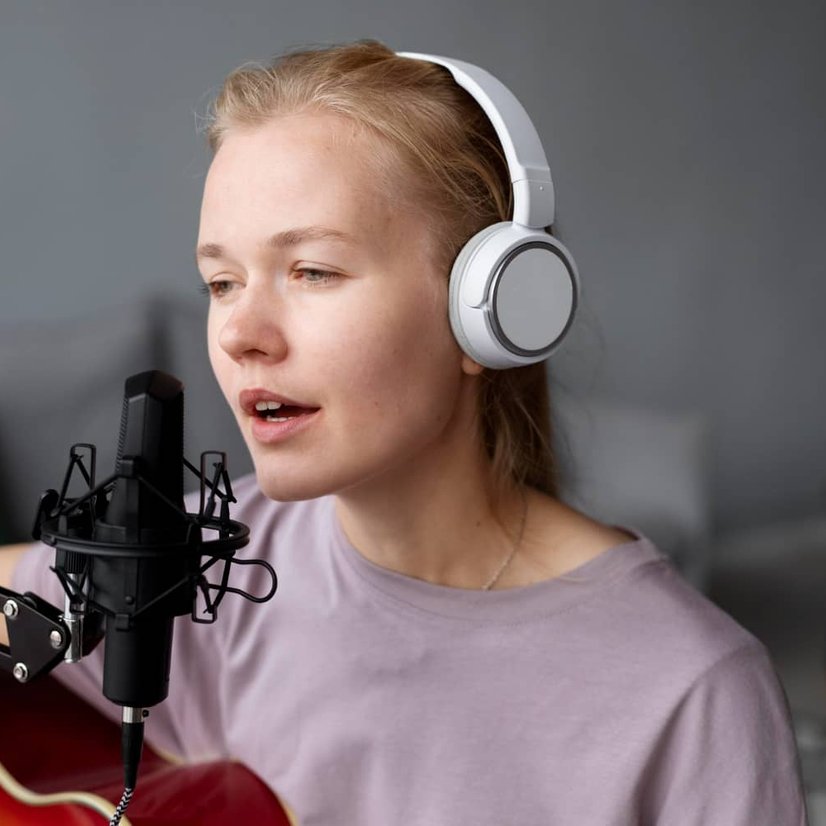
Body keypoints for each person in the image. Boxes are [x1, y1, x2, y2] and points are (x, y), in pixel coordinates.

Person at [4, 40, 807, 824]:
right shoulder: (207, 567)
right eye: (222, 280)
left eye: (312, 270)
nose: (240, 331)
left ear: (489, 311)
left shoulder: (692, 692)